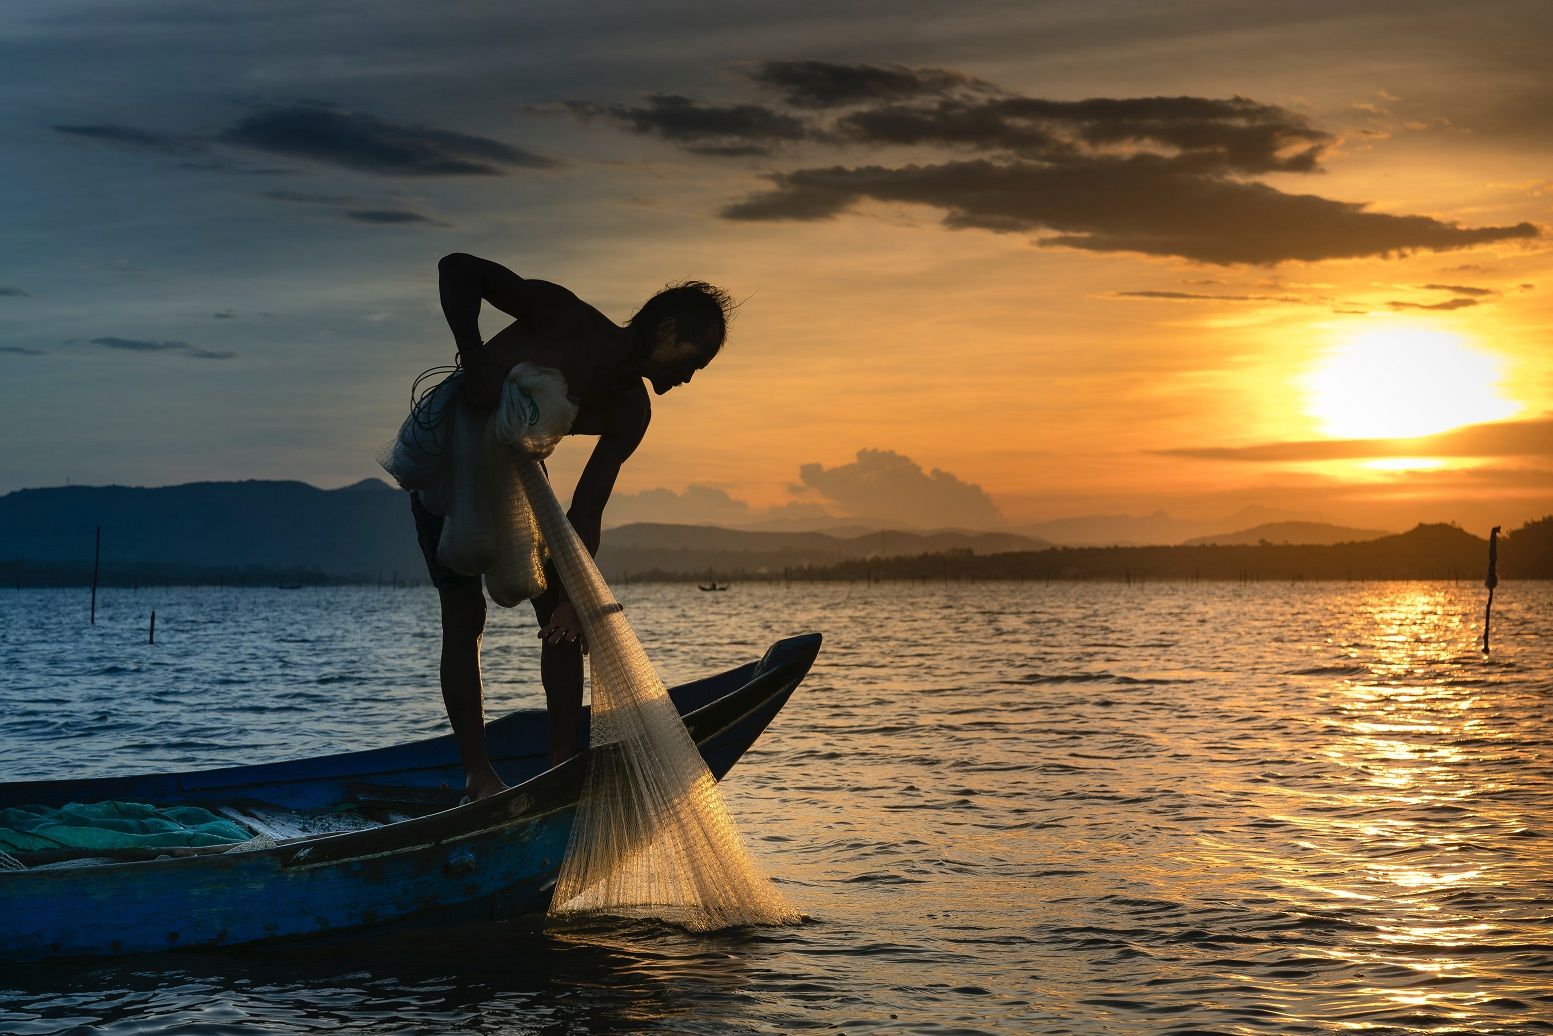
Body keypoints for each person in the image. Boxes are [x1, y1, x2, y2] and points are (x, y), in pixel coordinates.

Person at [416, 252, 731, 801]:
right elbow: (457, 268)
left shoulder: (630, 411)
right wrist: (475, 360)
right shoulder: (565, 319)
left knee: (565, 608)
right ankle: (478, 776)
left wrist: (575, 600)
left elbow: (585, 512)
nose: (686, 377)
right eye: (691, 359)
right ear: (666, 328)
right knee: (464, 614)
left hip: (516, 485)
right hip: (450, 467)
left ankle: (561, 764)